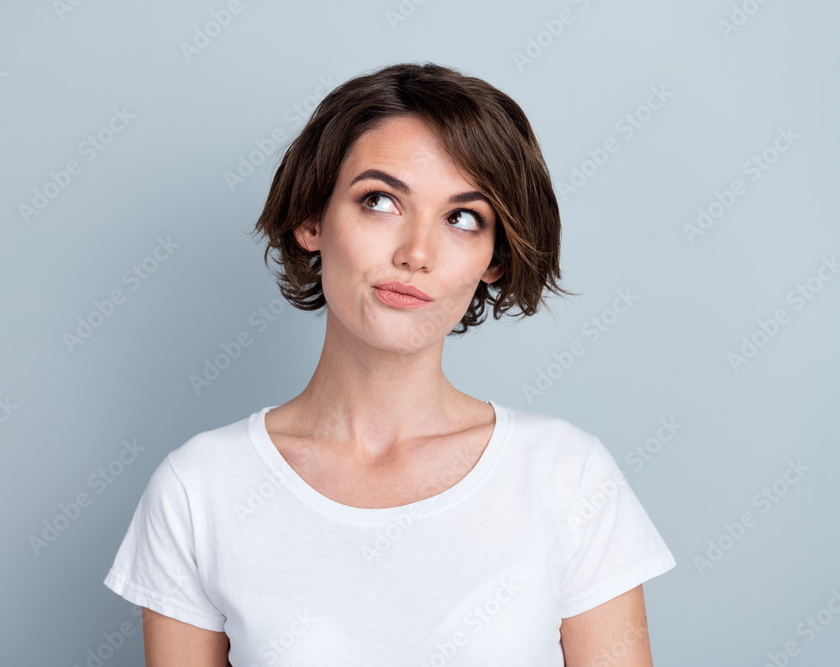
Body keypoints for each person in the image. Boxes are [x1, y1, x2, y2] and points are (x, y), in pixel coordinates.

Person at [103, 62, 676, 666]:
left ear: (494, 260)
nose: (416, 253)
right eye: (380, 201)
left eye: (462, 218)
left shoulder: (568, 478)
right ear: (312, 220)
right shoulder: (200, 490)